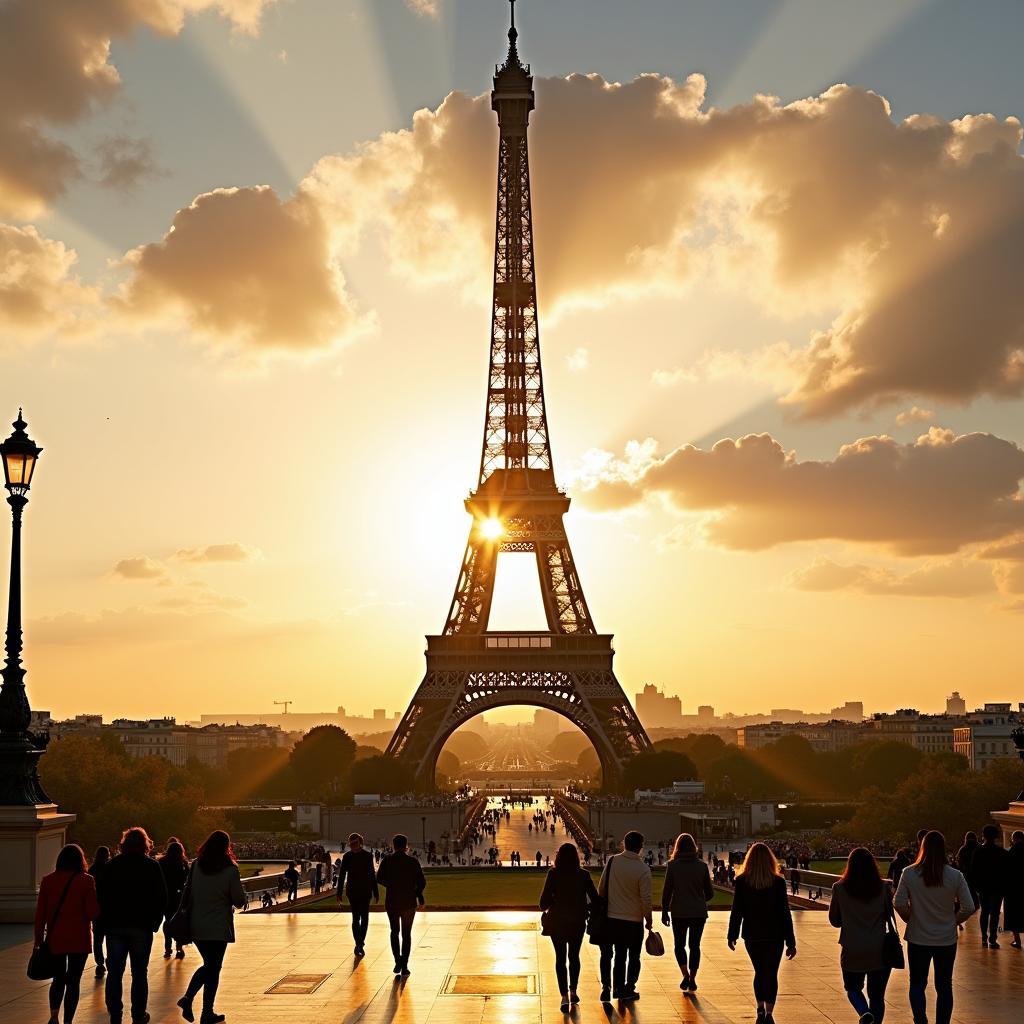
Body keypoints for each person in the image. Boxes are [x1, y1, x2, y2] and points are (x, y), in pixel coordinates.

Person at [894, 830, 975, 1024]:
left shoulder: (910, 873)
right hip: (945, 939)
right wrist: (953, 921)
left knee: (917, 984)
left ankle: (920, 1019)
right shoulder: (955, 876)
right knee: (944, 985)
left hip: (918, 937)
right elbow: (969, 907)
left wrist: (911, 919)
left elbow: (898, 902)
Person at [97, 826, 167, 1024]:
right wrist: (154, 923)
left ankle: (115, 1014)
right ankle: (138, 1013)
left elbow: (101, 896)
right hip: (141, 926)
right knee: (139, 973)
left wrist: (104, 923)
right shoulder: (152, 866)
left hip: (115, 925)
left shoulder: (112, 866)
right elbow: (161, 897)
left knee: (115, 973)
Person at [176, 830, 246, 1024]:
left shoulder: (197, 865)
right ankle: (196, 1003)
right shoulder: (230, 870)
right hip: (218, 926)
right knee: (213, 967)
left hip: (197, 925)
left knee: (210, 966)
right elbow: (239, 901)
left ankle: (200, 1007)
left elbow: (189, 893)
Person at [727, 842, 796, 1024]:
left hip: (752, 934)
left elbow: (737, 910)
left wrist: (732, 934)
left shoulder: (742, 882)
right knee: (771, 973)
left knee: (759, 971)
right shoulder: (778, 882)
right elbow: (784, 913)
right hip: (775, 935)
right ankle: (769, 1013)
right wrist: (791, 941)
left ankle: (759, 1008)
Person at [34, 844, 99, 1024]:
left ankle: (54, 1015)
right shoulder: (86, 881)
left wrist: (38, 940)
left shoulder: (48, 881)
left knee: (58, 979)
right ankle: (68, 1020)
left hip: (56, 939)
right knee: (73, 981)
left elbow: (40, 914)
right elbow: (92, 912)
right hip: (79, 939)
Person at [829, 848, 891, 1024]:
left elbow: (835, 920)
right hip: (879, 947)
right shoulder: (883, 888)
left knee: (853, 988)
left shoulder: (839, 888)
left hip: (852, 947)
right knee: (877, 996)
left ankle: (864, 1013)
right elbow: (888, 915)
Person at [539, 843, 598, 1012]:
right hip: (577, 921)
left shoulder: (553, 874)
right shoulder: (584, 875)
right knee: (574, 956)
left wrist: (555, 902)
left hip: (557, 921)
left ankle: (563, 995)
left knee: (560, 958)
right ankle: (573, 990)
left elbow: (543, 903)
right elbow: (594, 899)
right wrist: (585, 908)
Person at [597, 830, 652, 1003]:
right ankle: (629, 987)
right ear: (640, 847)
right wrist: (648, 919)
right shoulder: (643, 869)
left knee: (619, 956)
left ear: (624, 844)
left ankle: (617, 987)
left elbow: (601, 889)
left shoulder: (613, 861)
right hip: (634, 920)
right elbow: (646, 899)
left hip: (614, 918)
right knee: (634, 957)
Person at [661, 833, 713, 992]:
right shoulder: (702, 866)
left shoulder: (673, 865)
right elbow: (709, 893)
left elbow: (667, 891)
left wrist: (664, 911)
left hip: (679, 911)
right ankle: (693, 977)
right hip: (698, 912)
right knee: (694, 945)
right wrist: (698, 898)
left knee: (679, 945)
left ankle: (685, 975)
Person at [376, 834, 426, 976]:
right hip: (408, 902)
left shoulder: (387, 860)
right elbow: (421, 882)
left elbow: (379, 878)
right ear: (406, 846)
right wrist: (417, 894)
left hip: (392, 901)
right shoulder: (412, 861)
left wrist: (391, 885)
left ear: (393, 845)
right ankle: (404, 965)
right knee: (406, 934)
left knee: (394, 932)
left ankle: (397, 961)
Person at [337, 832, 379, 956]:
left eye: (355, 843)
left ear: (360, 843)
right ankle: (359, 943)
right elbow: (342, 875)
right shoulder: (347, 856)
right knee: (356, 918)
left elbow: (372, 875)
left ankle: (360, 942)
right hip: (353, 891)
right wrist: (339, 892)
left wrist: (375, 892)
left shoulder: (367, 856)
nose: (352, 845)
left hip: (365, 890)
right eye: (351, 843)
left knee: (364, 918)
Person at [972, 823, 1008, 948]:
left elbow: (974, 871)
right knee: (995, 914)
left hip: (983, 887)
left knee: (984, 912)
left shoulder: (978, 852)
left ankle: (984, 937)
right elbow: (1006, 872)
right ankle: (993, 938)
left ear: (983, 836)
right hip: (998, 887)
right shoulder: (1002, 853)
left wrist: (976, 886)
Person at [158, 840, 189, 960]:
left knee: (168, 920)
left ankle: (167, 945)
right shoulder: (183, 863)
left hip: (166, 896)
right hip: (178, 896)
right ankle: (179, 946)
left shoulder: (162, 862)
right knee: (178, 922)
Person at [89, 846, 111, 979]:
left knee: (97, 939)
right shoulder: (110, 868)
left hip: (97, 908)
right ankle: (109, 960)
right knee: (110, 937)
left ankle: (100, 963)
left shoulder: (92, 870)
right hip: (109, 909)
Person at [1004, 830, 1024, 949]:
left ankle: (1017, 940)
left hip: (1013, 888)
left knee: (1013, 914)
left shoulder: (1011, 852)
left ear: (1015, 839)